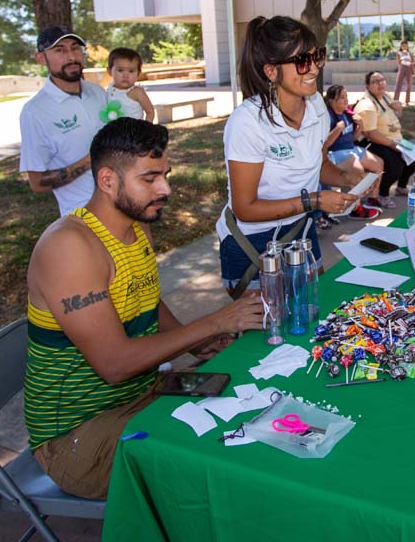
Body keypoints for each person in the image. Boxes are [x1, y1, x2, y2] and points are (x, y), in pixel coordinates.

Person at [25, 118, 264, 498]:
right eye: (149, 178)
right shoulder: (69, 247)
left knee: (248, 397)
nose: (165, 188)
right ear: (107, 180)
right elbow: (115, 365)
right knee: (220, 459)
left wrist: (195, 346)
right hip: (78, 437)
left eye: (165, 174)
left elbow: (148, 298)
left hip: (145, 391)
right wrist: (214, 323)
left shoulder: (136, 226)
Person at [215, 17, 365, 293]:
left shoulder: (317, 106)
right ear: (271, 71)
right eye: (302, 61)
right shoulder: (247, 122)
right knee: (268, 332)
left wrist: (348, 177)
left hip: (301, 231)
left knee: (315, 314)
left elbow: (316, 165)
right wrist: (316, 201)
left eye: (317, 56)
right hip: (253, 243)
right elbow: (245, 208)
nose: (315, 67)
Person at [19, 26, 107, 216]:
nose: (71, 57)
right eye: (59, 50)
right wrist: (91, 159)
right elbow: (37, 183)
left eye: (75, 48)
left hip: (126, 206)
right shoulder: (35, 112)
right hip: (83, 218)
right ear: (41, 58)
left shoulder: (98, 93)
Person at [322, 85, 382, 220]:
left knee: (378, 164)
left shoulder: (347, 114)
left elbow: (353, 138)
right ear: (331, 100)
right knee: (358, 170)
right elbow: (325, 145)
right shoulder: (329, 117)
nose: (346, 100)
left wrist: (360, 126)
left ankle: (373, 199)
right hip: (335, 152)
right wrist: (337, 129)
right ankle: (355, 208)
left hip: (351, 149)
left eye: (346, 97)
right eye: (341, 97)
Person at [356, 71, 415, 201]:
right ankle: (383, 193)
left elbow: (395, 119)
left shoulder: (386, 96)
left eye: (382, 80)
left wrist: (399, 110)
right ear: (367, 86)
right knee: (396, 164)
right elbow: (371, 134)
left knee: (414, 156)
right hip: (373, 142)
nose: (380, 83)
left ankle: (401, 187)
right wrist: (392, 144)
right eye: (375, 81)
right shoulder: (367, 105)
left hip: (394, 138)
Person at [104, 47, 155, 122]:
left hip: (134, 132)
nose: (126, 75)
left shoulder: (137, 92)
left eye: (131, 71)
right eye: (120, 70)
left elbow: (150, 112)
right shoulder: (109, 90)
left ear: (138, 73)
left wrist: (145, 129)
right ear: (109, 71)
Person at [393, 39, 414, 105]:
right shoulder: (399, 53)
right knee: (398, 84)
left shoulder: (410, 53)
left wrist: (414, 70)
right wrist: (403, 56)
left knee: (408, 85)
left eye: (405, 45)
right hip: (402, 68)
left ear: (407, 46)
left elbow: (413, 62)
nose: (404, 47)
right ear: (401, 46)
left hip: (409, 68)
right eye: (403, 46)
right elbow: (398, 61)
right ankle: (396, 100)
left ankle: (407, 101)